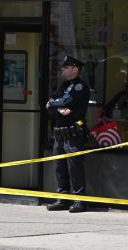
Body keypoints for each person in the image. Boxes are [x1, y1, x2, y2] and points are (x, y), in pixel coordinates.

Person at [45, 55, 91, 214]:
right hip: (59, 133)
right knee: (60, 167)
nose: (63, 69)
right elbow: (49, 104)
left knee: (75, 168)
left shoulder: (80, 87)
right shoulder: (64, 85)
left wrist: (55, 104)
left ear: (75, 69)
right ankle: (62, 198)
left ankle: (80, 201)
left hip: (72, 133)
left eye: (66, 67)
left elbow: (65, 102)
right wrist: (57, 107)